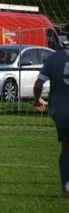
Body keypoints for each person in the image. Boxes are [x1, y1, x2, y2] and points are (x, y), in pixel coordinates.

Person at [34, 47, 69, 198]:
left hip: (61, 111)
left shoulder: (54, 58)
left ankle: (66, 185)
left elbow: (38, 84)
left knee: (66, 147)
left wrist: (37, 99)